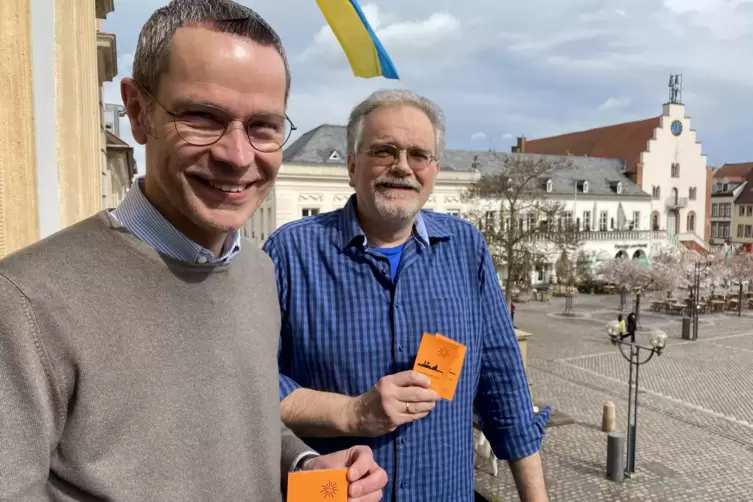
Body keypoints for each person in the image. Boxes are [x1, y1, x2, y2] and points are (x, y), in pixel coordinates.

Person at [0, 1, 386, 500]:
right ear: (139, 113)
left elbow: (243, 422)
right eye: (203, 117)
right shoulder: (27, 301)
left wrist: (302, 464)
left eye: (263, 126)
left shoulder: (257, 271)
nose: (238, 155)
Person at [264, 89, 551, 501]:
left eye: (419, 154)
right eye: (384, 151)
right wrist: (354, 413)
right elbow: (251, 385)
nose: (402, 167)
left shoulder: (465, 249)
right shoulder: (291, 253)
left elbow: (505, 388)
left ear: (434, 169)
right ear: (351, 166)